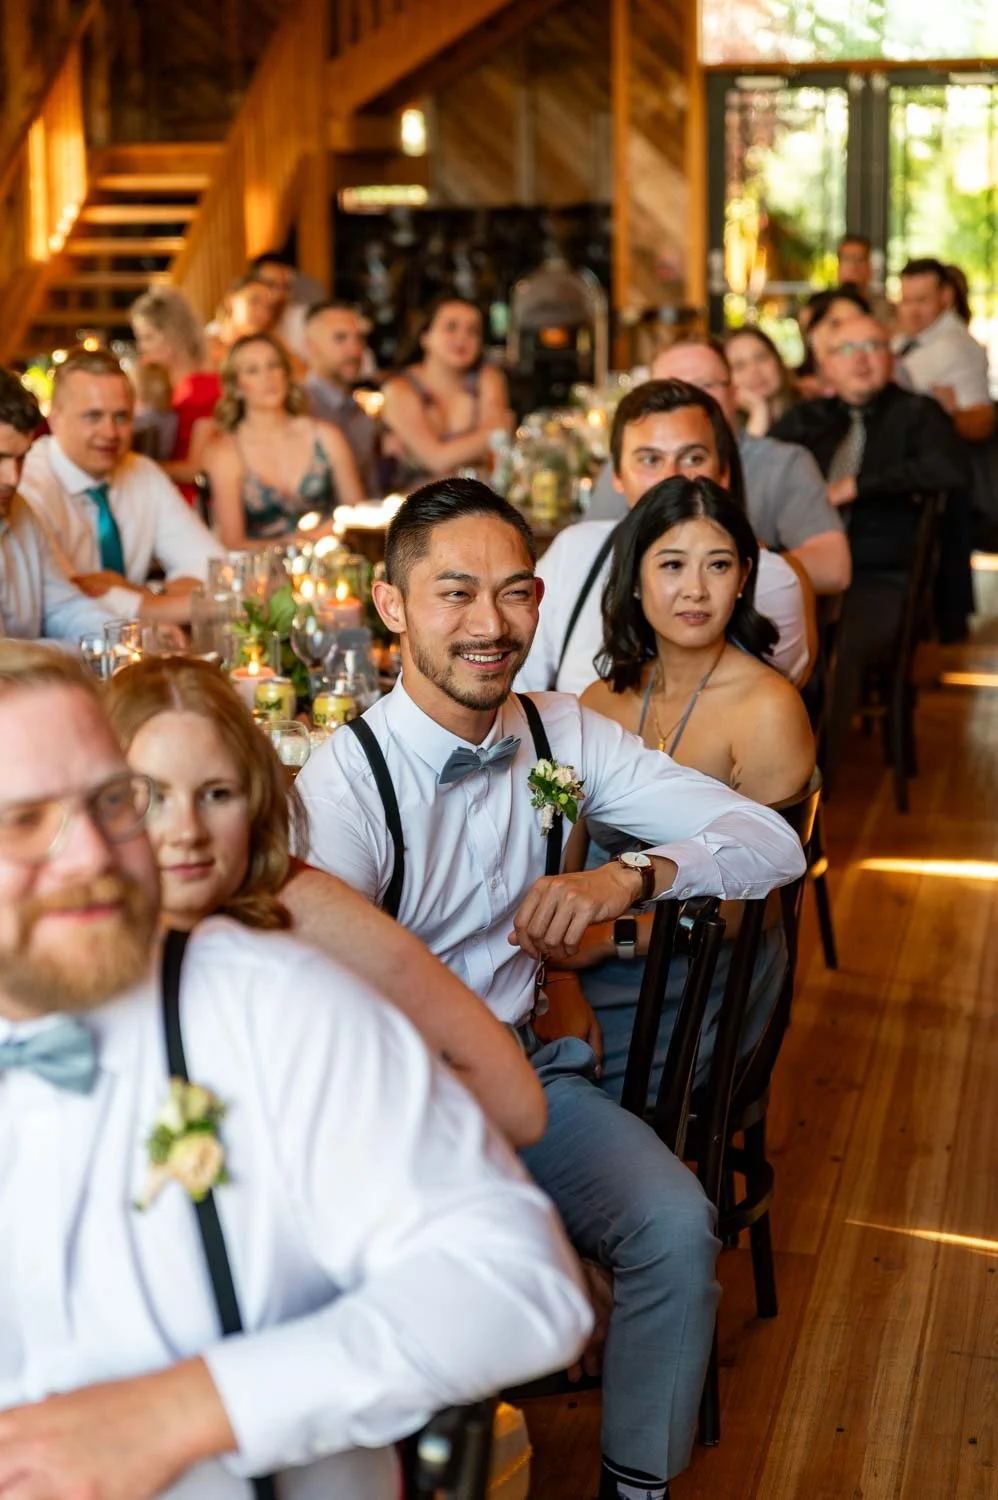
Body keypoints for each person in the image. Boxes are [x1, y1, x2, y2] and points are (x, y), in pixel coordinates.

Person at [296, 478, 806, 1500]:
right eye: (452, 594)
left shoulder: (560, 732)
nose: (489, 626)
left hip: (535, 1077)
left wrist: (626, 875)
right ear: (390, 607)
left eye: (513, 592)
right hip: (397, 1109)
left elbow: (772, 839)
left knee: (671, 1224)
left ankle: (633, 1488)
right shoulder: (343, 786)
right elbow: (312, 1011)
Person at [0, 639, 592, 1499]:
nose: (91, 854)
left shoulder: (275, 1007)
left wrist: (184, 1411)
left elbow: (521, 1284)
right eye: (23, 821)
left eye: (111, 801)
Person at [104, 653, 546, 1147]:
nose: (187, 832)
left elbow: (518, 1106)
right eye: (153, 796)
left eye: (217, 794)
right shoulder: (65, 931)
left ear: (255, 800)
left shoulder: (301, 910)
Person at [551, 476, 814, 1098]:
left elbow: (761, 901)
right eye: (672, 564)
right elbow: (561, 855)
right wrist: (556, 970)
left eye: (717, 565)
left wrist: (604, 942)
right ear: (635, 577)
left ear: (743, 576)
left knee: (539, 1087)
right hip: (590, 944)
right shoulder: (599, 699)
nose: (695, 589)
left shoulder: (767, 708)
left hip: (703, 968)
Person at [519, 379, 815, 694]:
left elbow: (765, 710)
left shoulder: (769, 579)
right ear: (616, 476)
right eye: (650, 460)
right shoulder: (575, 551)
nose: (671, 478)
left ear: (724, 472)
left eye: (693, 458)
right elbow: (519, 687)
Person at [772, 312, 970, 771]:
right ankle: (766, 763)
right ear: (827, 365)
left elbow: (951, 471)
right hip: (803, 569)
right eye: (847, 350)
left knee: (837, 649)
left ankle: (816, 779)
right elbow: (759, 465)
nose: (861, 361)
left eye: (873, 348)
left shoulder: (919, 414)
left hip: (879, 576)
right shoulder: (807, 419)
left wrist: (862, 484)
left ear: (890, 356)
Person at [18, 348, 221, 627]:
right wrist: (170, 605)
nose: (110, 433)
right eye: (93, 416)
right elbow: (71, 604)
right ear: (54, 418)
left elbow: (216, 569)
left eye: (121, 417)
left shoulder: (142, 472)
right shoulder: (28, 486)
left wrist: (145, 594)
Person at [651, 341, 851, 595]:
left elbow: (834, 569)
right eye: (670, 390)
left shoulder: (783, 462)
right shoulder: (629, 464)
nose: (688, 403)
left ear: (734, 393)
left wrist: (729, 567)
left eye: (706, 386)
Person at [201, 332, 365, 549]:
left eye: (274, 366)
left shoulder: (326, 436)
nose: (267, 377)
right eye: (253, 370)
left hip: (332, 565)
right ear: (237, 386)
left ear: (286, 374)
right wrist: (299, 543)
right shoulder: (227, 452)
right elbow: (232, 543)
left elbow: (360, 517)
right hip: (264, 575)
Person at [0, 371, 117, 644]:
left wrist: (122, 640)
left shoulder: (21, 511)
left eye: (21, 458)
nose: (13, 478)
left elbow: (63, 607)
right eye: (0, 458)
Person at [381, 295, 512, 486]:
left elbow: (498, 446)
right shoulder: (399, 388)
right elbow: (436, 460)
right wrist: (488, 435)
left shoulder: (488, 378)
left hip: (477, 499)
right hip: (414, 505)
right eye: (451, 327)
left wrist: (494, 436)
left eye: (472, 331)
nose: (462, 338)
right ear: (425, 337)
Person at [130, 286, 223, 490]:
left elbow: (195, 469)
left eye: (148, 338)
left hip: (188, 502)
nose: (142, 347)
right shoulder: (160, 386)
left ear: (172, 336)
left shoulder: (206, 390)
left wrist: (131, 468)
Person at [895, 256, 995, 444]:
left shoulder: (957, 346)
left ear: (946, 296)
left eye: (922, 300)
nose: (912, 311)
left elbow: (981, 422)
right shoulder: (908, 338)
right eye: (906, 301)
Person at [303, 302, 380, 495]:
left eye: (359, 339)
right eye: (340, 338)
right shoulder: (297, 408)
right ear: (310, 346)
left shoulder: (360, 408)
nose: (355, 351)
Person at [725, 325, 800, 435]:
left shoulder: (814, 414)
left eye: (761, 358)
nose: (754, 371)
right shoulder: (726, 433)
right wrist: (758, 410)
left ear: (777, 360)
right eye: (740, 366)